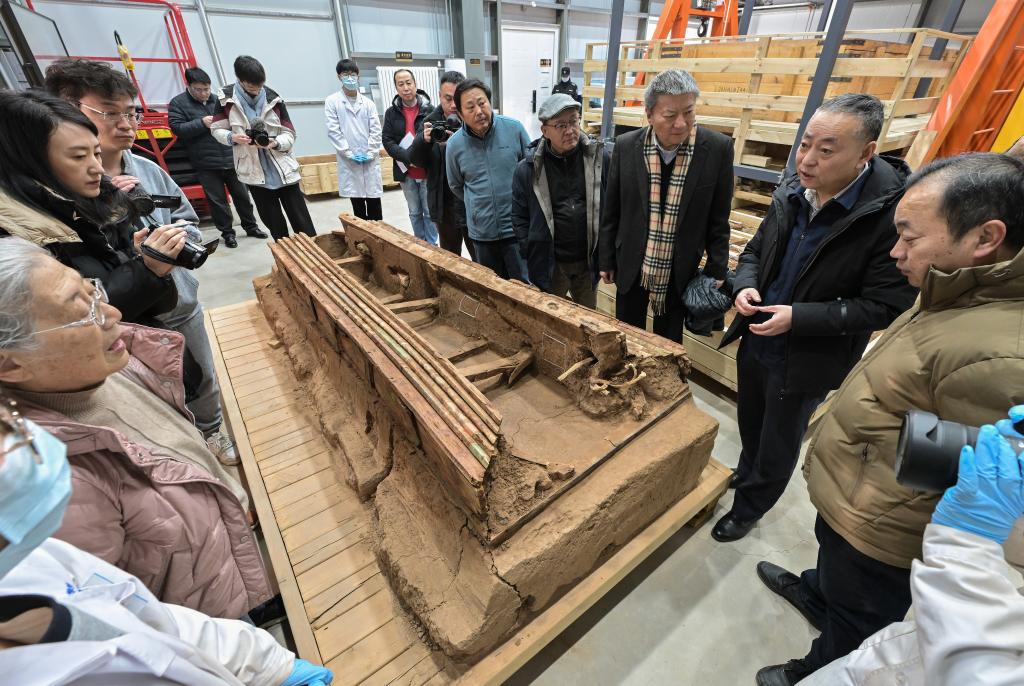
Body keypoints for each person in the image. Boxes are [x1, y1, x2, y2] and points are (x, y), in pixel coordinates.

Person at [754, 152, 1024, 686]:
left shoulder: (1002, 351)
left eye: (909, 237)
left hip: (882, 526)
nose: (896, 251)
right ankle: (817, 593)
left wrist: (876, 448)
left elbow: (978, 469)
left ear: (985, 237)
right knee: (833, 568)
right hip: (854, 497)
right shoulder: (957, 287)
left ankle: (814, 665)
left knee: (858, 621)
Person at [0, 238, 266, 620]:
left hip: (223, 560)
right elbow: (122, 620)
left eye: (93, 291)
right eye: (81, 312)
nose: (112, 313)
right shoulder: (55, 488)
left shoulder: (104, 366)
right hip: (202, 617)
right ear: (10, 365)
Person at [0, 395, 334, 686]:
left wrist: (268, 666)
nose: (24, 447)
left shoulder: (31, 565)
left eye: (9, 421)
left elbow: (148, 616)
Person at [711, 94, 918, 543]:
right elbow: (754, 251)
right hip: (758, 338)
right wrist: (744, 285)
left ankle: (750, 506)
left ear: (865, 153)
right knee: (752, 421)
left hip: (808, 357)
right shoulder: (793, 190)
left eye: (826, 150)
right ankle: (746, 472)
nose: (806, 160)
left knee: (779, 440)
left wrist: (799, 317)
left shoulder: (888, 217)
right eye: (805, 144)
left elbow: (886, 305)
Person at [46, 58, 239, 465]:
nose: (126, 124)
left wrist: (176, 241)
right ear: (67, 113)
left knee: (200, 375)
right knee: (147, 397)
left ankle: (211, 431)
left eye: (130, 112)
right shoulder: (57, 193)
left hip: (179, 304)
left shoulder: (148, 170)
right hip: (122, 320)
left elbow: (186, 218)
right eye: (109, 113)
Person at [803, 411, 1024, 686]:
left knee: (857, 612)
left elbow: (982, 674)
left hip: (925, 656)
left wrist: (966, 548)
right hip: (895, 660)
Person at [0, 89, 181, 326]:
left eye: (97, 153)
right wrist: (147, 270)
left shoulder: (101, 202)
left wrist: (146, 262)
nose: (98, 168)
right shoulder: (14, 241)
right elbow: (72, 324)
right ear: (28, 162)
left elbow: (157, 306)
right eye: (78, 157)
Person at [597, 69, 733, 343]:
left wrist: (717, 269)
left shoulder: (717, 149)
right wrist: (606, 259)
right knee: (627, 335)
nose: (681, 124)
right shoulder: (626, 146)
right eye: (670, 115)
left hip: (680, 265)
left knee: (669, 341)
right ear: (649, 114)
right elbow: (612, 210)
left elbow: (719, 218)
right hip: (632, 261)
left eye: (689, 112)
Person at [512, 93, 609, 307]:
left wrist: (605, 255)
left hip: (586, 262)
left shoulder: (598, 160)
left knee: (586, 317)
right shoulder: (528, 170)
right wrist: (530, 249)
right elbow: (519, 216)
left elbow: (611, 207)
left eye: (574, 121)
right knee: (550, 317)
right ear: (545, 130)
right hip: (551, 265)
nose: (570, 130)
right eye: (561, 125)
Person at [211, 55, 316, 241]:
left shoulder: (273, 98)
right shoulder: (225, 100)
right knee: (275, 226)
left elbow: (290, 133)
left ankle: (313, 252)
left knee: (303, 222)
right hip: (254, 172)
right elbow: (216, 129)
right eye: (251, 86)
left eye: (260, 85)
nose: (257, 90)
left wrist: (275, 143)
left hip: (283, 169)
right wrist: (232, 137)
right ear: (239, 79)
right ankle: (285, 254)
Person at [169, 66, 267, 248]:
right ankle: (228, 234)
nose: (204, 93)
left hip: (231, 158)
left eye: (207, 89)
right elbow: (177, 129)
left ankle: (251, 227)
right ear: (188, 86)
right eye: (199, 89)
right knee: (218, 202)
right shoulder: (178, 103)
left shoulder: (219, 101)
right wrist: (201, 123)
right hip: (205, 163)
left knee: (242, 197)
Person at [445, 78, 532, 280]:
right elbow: (456, 185)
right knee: (491, 287)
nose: (479, 111)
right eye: (470, 107)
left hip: (516, 229)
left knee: (524, 286)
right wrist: (477, 206)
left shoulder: (514, 129)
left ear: (490, 103)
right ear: (460, 114)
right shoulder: (454, 145)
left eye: (482, 103)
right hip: (482, 233)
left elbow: (531, 171)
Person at [409, 70, 474, 258]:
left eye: (457, 98)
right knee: (450, 256)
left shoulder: (474, 121)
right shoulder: (430, 122)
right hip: (444, 202)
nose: (453, 105)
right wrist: (424, 141)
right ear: (439, 96)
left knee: (480, 257)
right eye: (448, 98)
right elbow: (416, 160)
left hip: (471, 200)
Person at [382, 68, 437, 245]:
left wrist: (420, 158)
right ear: (396, 88)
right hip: (406, 172)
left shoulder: (430, 110)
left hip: (427, 171)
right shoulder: (391, 113)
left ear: (415, 84)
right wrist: (408, 157)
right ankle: (419, 243)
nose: (406, 88)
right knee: (414, 212)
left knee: (429, 212)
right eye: (401, 84)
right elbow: (387, 140)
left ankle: (432, 246)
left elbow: (436, 141)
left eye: (408, 83)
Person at [325, 58, 383, 221]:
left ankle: (378, 234)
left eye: (353, 74)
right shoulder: (332, 101)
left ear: (358, 75)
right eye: (345, 74)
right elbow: (333, 130)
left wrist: (371, 152)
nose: (350, 78)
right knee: (358, 208)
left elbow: (376, 130)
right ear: (339, 76)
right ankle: (361, 234)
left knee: (375, 206)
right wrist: (348, 153)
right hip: (349, 161)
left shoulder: (368, 103)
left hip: (370, 160)